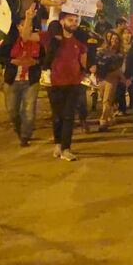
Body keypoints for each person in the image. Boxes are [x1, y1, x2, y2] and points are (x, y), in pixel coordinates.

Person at [0, 5, 41, 146]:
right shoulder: (9, 41)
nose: (27, 27)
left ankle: (25, 136)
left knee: (29, 112)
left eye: (29, 25)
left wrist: (35, 62)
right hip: (12, 81)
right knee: (12, 111)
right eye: (24, 25)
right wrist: (12, 61)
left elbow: (46, 58)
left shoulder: (38, 42)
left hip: (31, 82)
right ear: (18, 27)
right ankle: (18, 129)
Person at [47, 12, 87, 161]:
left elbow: (84, 61)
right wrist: (29, 18)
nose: (74, 23)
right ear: (62, 21)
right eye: (70, 20)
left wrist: (87, 71)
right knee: (57, 116)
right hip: (56, 83)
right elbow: (28, 36)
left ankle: (66, 148)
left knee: (69, 116)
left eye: (76, 20)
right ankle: (58, 143)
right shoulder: (52, 39)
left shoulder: (79, 42)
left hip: (74, 84)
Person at [96, 31, 125, 132]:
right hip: (102, 77)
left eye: (116, 39)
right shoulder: (103, 50)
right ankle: (110, 116)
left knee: (107, 100)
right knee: (103, 97)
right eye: (112, 39)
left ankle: (103, 121)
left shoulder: (120, 54)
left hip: (112, 77)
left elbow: (116, 66)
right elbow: (98, 61)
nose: (114, 41)